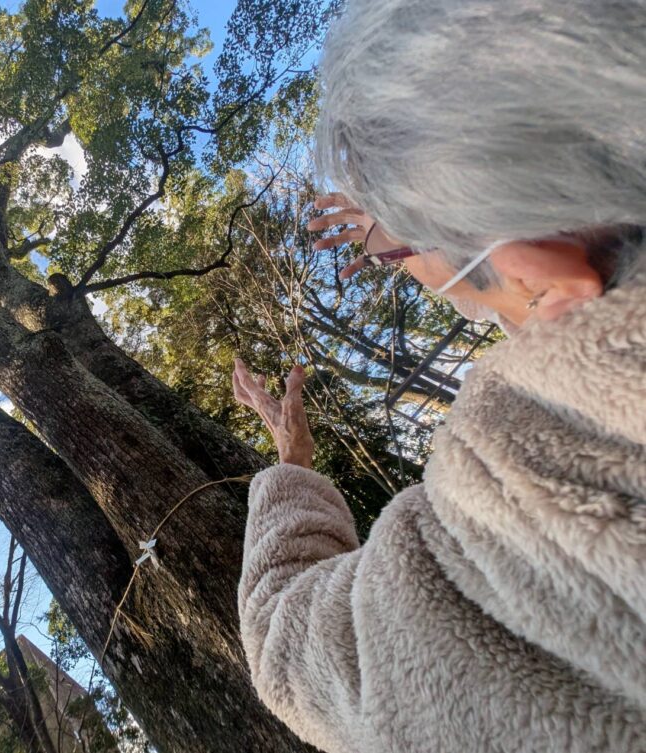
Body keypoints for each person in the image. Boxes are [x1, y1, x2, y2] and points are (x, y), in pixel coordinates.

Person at [232, 1, 646, 751]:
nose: (403, 267)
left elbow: (291, 651)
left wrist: (291, 463)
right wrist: (430, 203)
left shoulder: (524, 502)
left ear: (541, 279)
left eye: (400, 256)